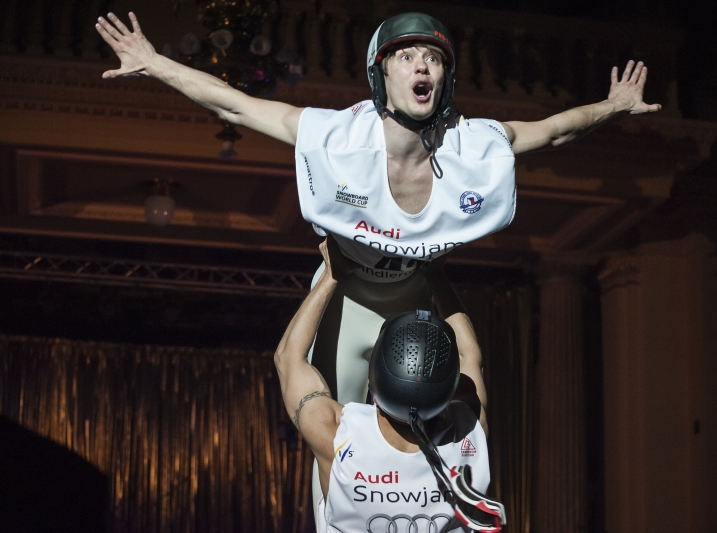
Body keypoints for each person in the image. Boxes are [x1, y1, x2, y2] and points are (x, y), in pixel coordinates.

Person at [94, 11, 660, 405]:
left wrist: (612, 106)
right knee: (336, 439)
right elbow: (237, 107)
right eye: (407, 56)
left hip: (415, 298)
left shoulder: (472, 144)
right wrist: (156, 63)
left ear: (445, 78)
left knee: (440, 428)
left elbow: (556, 131)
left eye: (432, 58)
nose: (422, 67)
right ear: (382, 73)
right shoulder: (339, 138)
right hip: (348, 296)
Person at [273, 237, 504, 532]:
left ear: (374, 381)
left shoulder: (338, 437)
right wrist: (434, 274)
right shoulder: (469, 435)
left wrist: (331, 275)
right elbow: (470, 356)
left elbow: (288, 358)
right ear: (448, 389)